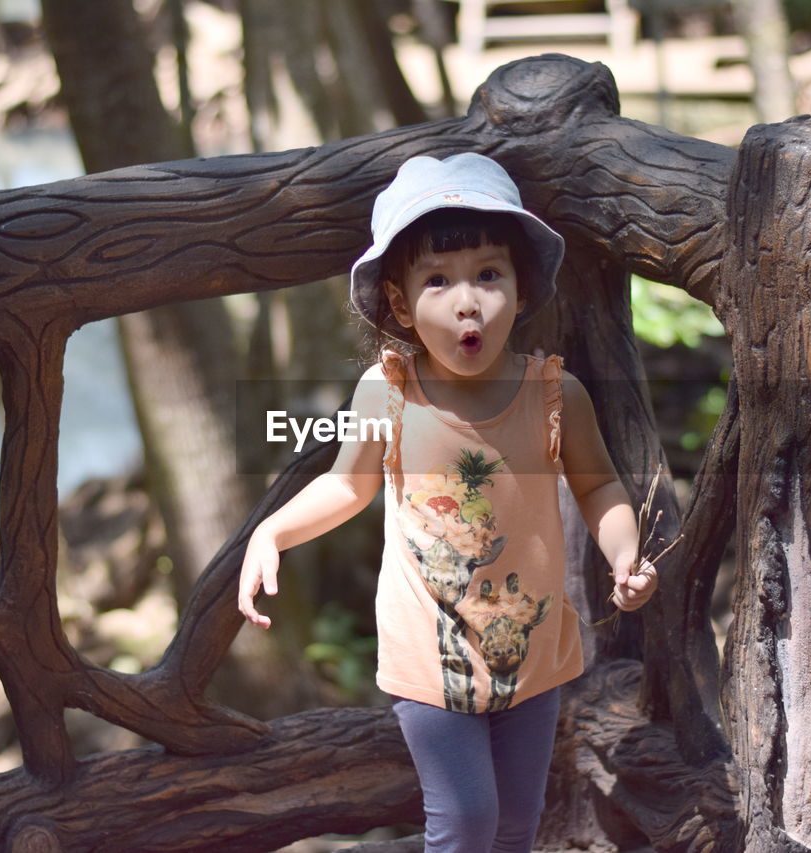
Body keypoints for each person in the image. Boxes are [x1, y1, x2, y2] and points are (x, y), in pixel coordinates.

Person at [238, 152, 657, 853]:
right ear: (401, 304)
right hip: (429, 656)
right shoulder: (390, 391)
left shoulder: (555, 394)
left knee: (517, 826)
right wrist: (271, 532)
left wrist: (624, 554)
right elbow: (349, 483)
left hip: (532, 650)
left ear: (521, 289)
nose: (467, 300)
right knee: (463, 821)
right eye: (438, 280)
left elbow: (598, 485)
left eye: (488, 275)